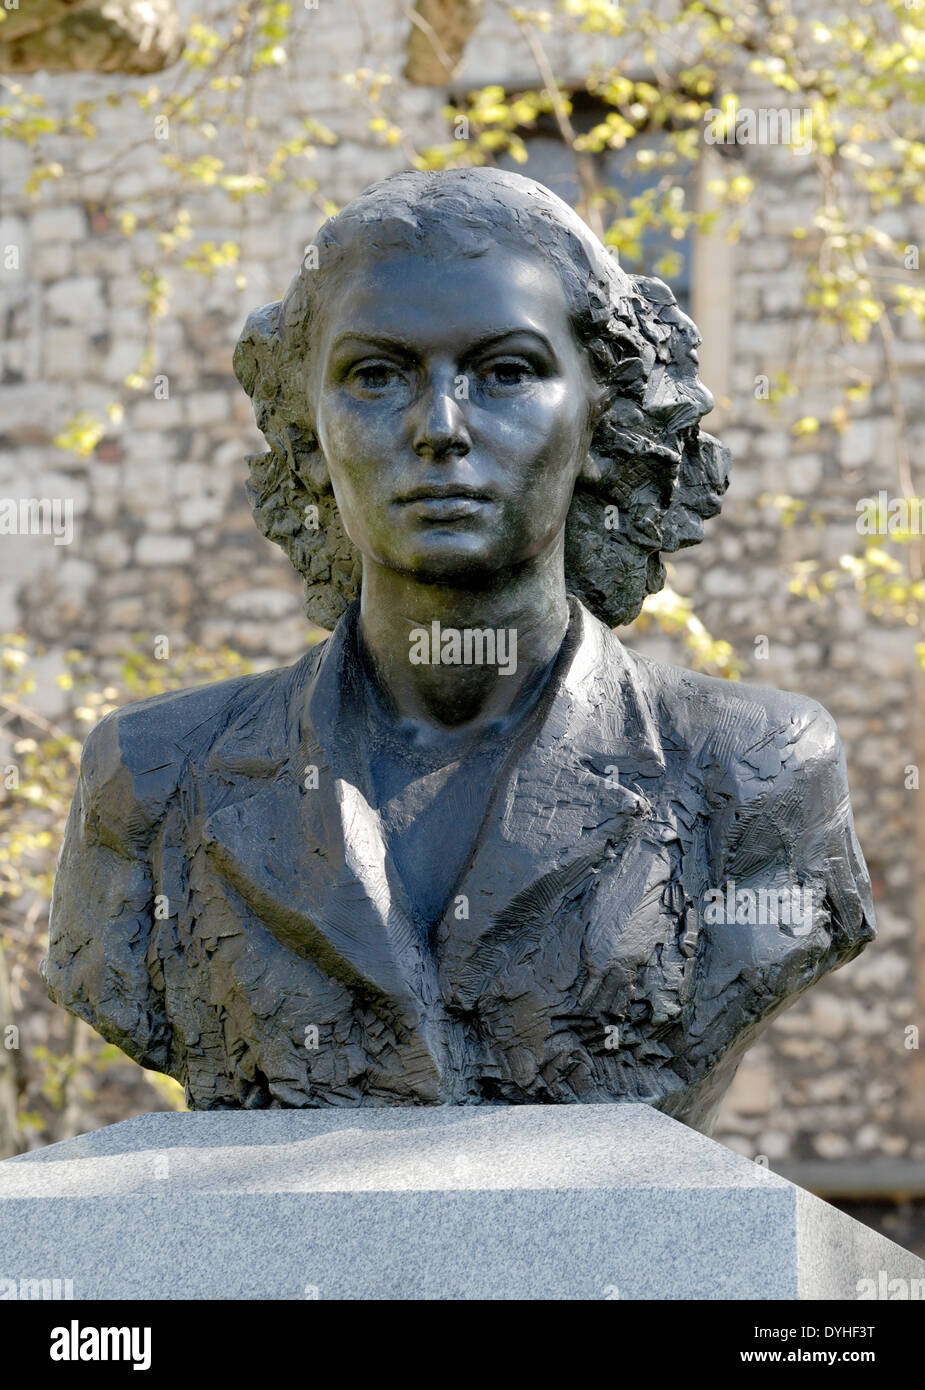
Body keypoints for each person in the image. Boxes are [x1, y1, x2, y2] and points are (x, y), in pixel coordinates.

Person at [44, 168, 875, 1132]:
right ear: (306, 433)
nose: (439, 427)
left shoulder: (760, 776)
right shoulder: (151, 779)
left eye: (507, 372)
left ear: (601, 418)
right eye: (376, 375)